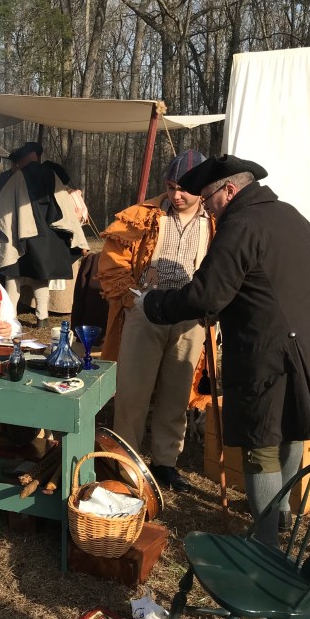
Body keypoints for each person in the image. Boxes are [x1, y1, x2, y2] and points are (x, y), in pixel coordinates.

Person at [142, 154, 310, 546]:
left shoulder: (240, 224)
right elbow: (261, 278)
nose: (206, 206)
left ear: (230, 190)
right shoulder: (290, 214)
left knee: (262, 445)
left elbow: (208, 294)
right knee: (292, 431)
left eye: (209, 197)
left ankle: (265, 543)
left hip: (271, 350)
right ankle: (279, 514)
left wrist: (154, 303)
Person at [97, 149, 212, 492]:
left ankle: (165, 463)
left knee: (176, 393)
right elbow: (114, 261)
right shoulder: (143, 216)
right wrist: (134, 300)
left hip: (190, 318)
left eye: (185, 189)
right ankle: (124, 462)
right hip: (145, 313)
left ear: (203, 188)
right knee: (133, 392)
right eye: (172, 186)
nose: (177, 195)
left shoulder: (217, 221)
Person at [0, 141, 85, 328]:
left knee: (14, 275)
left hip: (20, 237)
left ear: (21, 160)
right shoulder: (52, 176)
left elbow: (1, 206)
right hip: (46, 239)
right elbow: (65, 207)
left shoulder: (16, 178)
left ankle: (10, 317)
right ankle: (42, 317)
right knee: (40, 276)